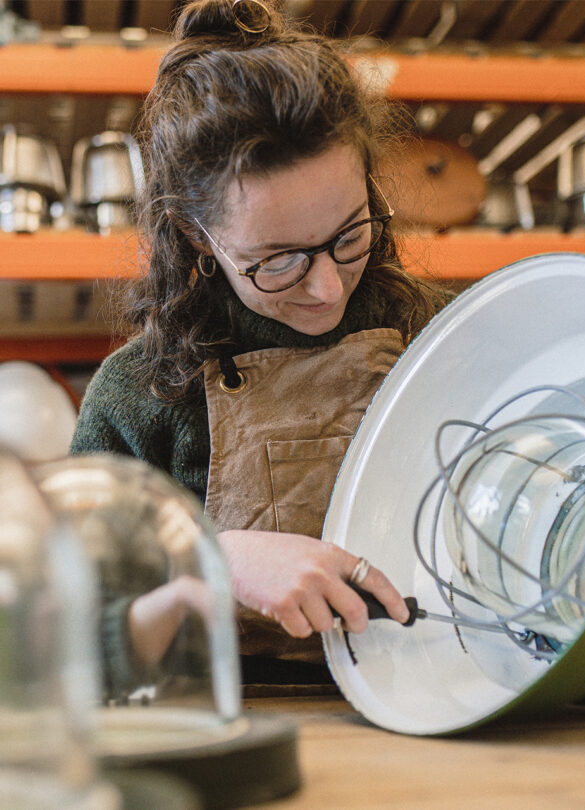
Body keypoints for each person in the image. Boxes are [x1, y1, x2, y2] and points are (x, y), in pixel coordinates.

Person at [70, 0, 449, 686]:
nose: (327, 288)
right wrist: (209, 559)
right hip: (234, 738)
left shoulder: (440, 341)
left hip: (448, 704)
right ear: (194, 236)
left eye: (350, 235)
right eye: (278, 261)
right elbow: (57, 644)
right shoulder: (141, 397)